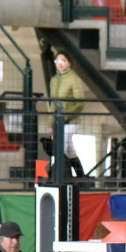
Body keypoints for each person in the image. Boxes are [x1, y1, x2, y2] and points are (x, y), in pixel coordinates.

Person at [47, 50, 85, 178]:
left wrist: (67, 115)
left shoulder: (74, 79)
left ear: (69, 63)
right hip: (58, 120)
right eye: (57, 61)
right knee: (69, 151)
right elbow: (52, 103)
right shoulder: (54, 81)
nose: (60, 63)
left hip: (70, 121)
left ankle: (53, 175)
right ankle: (81, 176)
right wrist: (50, 123)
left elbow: (79, 102)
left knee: (61, 148)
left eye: (63, 61)